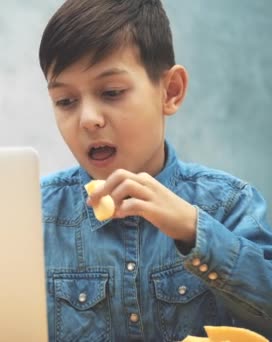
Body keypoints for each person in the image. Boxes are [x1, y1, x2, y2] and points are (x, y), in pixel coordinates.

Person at [37, 0, 272, 340]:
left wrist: (196, 232)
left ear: (171, 91)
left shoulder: (229, 204)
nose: (88, 119)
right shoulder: (34, 216)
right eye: (66, 101)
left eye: (112, 92)